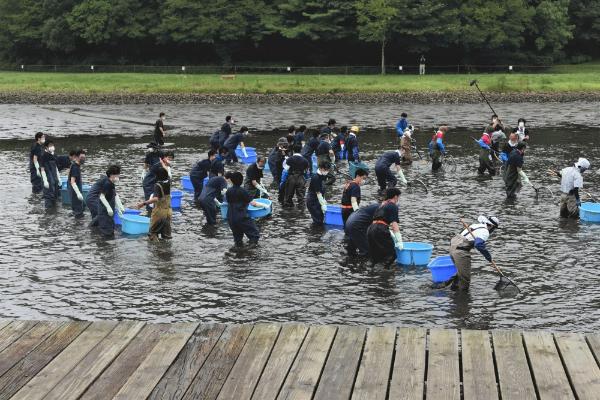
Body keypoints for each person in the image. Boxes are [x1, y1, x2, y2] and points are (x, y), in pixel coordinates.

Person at [447, 216, 499, 291]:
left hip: (452, 248)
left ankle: (450, 288)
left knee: (460, 274)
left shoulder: (475, 225)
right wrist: (489, 257)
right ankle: (462, 299)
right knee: (465, 279)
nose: (493, 231)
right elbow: (478, 245)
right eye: (494, 229)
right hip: (461, 252)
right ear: (491, 226)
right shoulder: (485, 232)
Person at [224, 171, 267, 247]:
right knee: (254, 235)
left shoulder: (228, 191)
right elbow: (253, 203)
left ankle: (238, 253)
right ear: (241, 181)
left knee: (237, 238)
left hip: (230, 217)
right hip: (241, 217)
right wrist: (264, 206)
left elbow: (228, 202)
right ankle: (250, 252)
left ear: (232, 180)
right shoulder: (243, 191)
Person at [366, 188, 404, 265]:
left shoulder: (382, 204)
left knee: (374, 255)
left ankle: (371, 272)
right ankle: (385, 273)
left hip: (370, 229)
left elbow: (379, 220)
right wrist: (399, 241)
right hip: (379, 229)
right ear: (395, 196)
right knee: (391, 255)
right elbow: (394, 224)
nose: (398, 199)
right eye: (398, 197)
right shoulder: (393, 206)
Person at [137, 166, 172, 241]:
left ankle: (155, 250)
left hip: (159, 212)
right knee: (166, 235)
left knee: (152, 233)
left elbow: (156, 199)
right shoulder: (168, 181)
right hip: (168, 212)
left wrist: (143, 203)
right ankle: (166, 250)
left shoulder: (157, 185)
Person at [87, 165, 124, 238]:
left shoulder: (111, 182)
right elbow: (102, 196)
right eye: (116, 175)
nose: (118, 177)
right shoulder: (107, 183)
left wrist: (120, 207)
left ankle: (95, 232)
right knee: (101, 218)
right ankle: (91, 229)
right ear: (111, 175)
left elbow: (114, 194)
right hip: (93, 198)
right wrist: (109, 208)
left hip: (100, 199)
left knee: (106, 221)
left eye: (118, 174)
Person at [143, 150, 174, 215]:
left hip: (158, 184)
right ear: (163, 158)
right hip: (150, 184)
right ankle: (150, 212)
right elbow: (155, 198)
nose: (169, 159)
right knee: (153, 200)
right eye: (168, 157)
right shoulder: (158, 167)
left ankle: (152, 212)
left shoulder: (164, 165)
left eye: (171, 158)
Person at [40, 141, 61, 209]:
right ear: (46, 147)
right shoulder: (44, 156)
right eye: (50, 145)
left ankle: (54, 212)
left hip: (54, 178)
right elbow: (42, 168)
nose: (52, 147)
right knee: (48, 195)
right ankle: (48, 211)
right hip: (48, 179)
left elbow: (56, 167)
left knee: (55, 195)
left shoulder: (54, 155)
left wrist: (59, 178)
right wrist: (45, 180)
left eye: (53, 145)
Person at [68, 149, 87, 218]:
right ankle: (77, 226)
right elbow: (72, 181)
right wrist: (78, 193)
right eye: (81, 157)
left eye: (84, 158)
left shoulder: (75, 165)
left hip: (76, 192)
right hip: (75, 193)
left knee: (82, 206)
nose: (83, 159)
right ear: (77, 157)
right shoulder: (75, 167)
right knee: (79, 213)